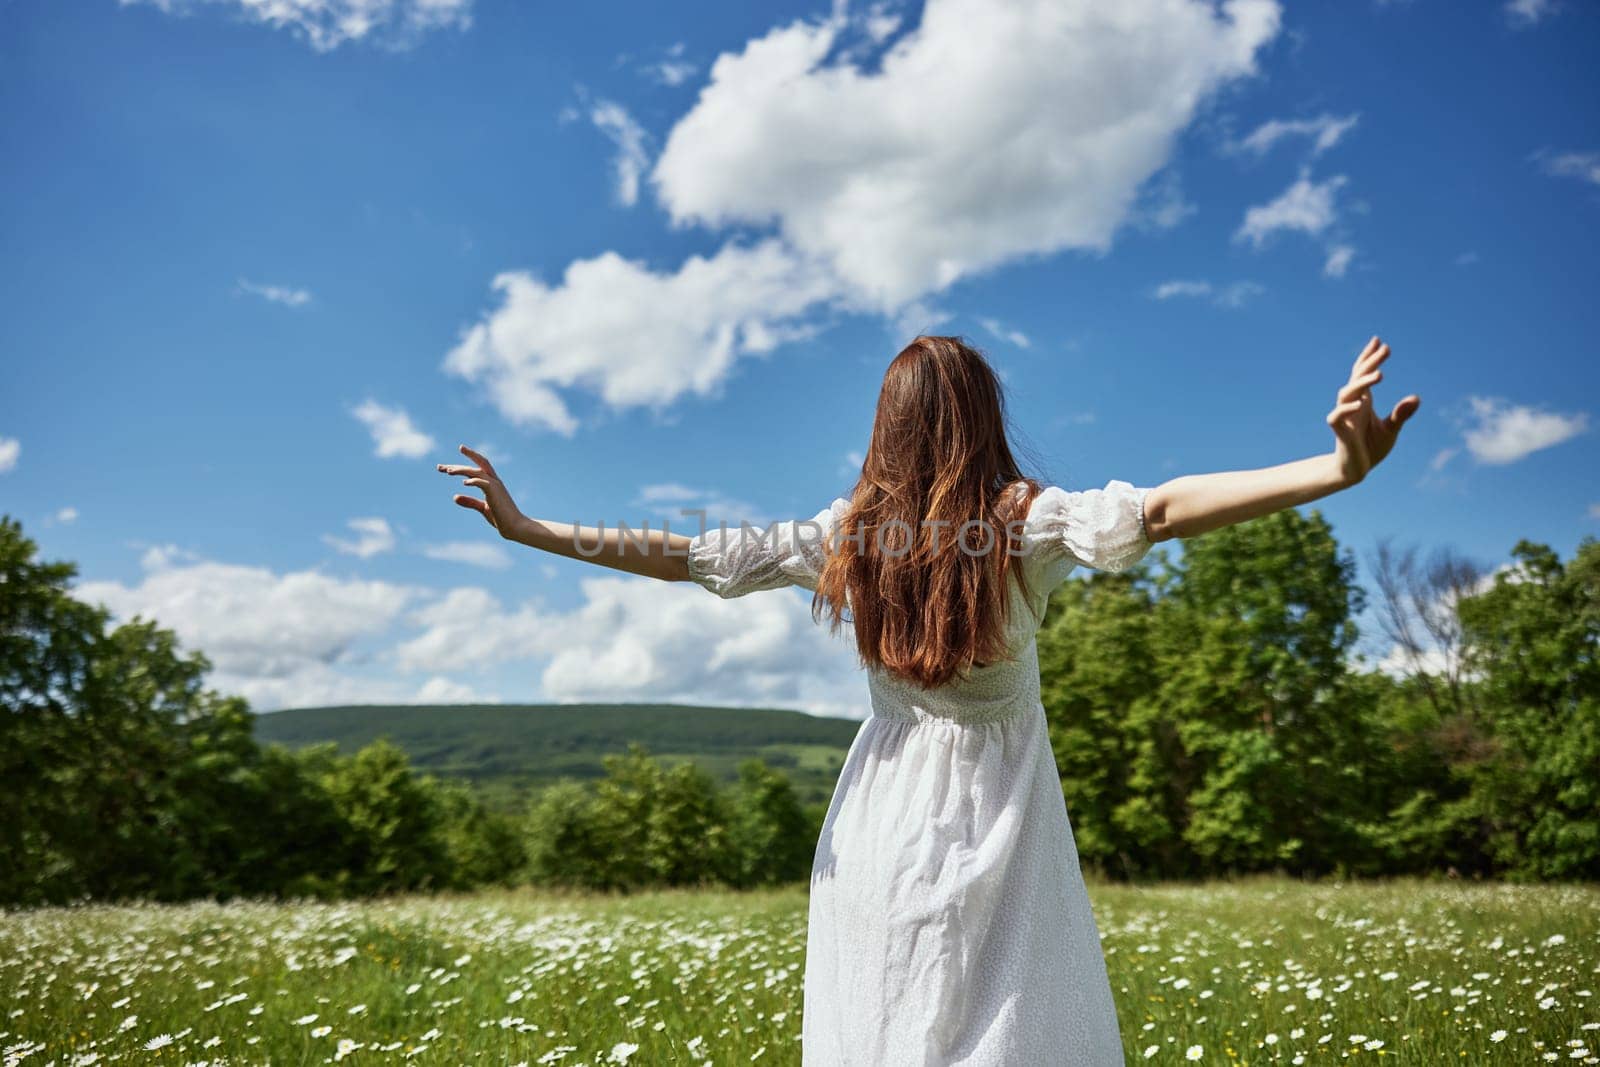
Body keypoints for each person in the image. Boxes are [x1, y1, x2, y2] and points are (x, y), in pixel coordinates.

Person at [437, 334, 1418, 1066]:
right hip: (997, 820)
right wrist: (1334, 469)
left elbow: (693, 555)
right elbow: (1158, 508)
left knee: (885, 1024)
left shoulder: (847, 535)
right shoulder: (1023, 522)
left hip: (878, 816)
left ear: (887, 426)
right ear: (982, 418)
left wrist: (534, 529)